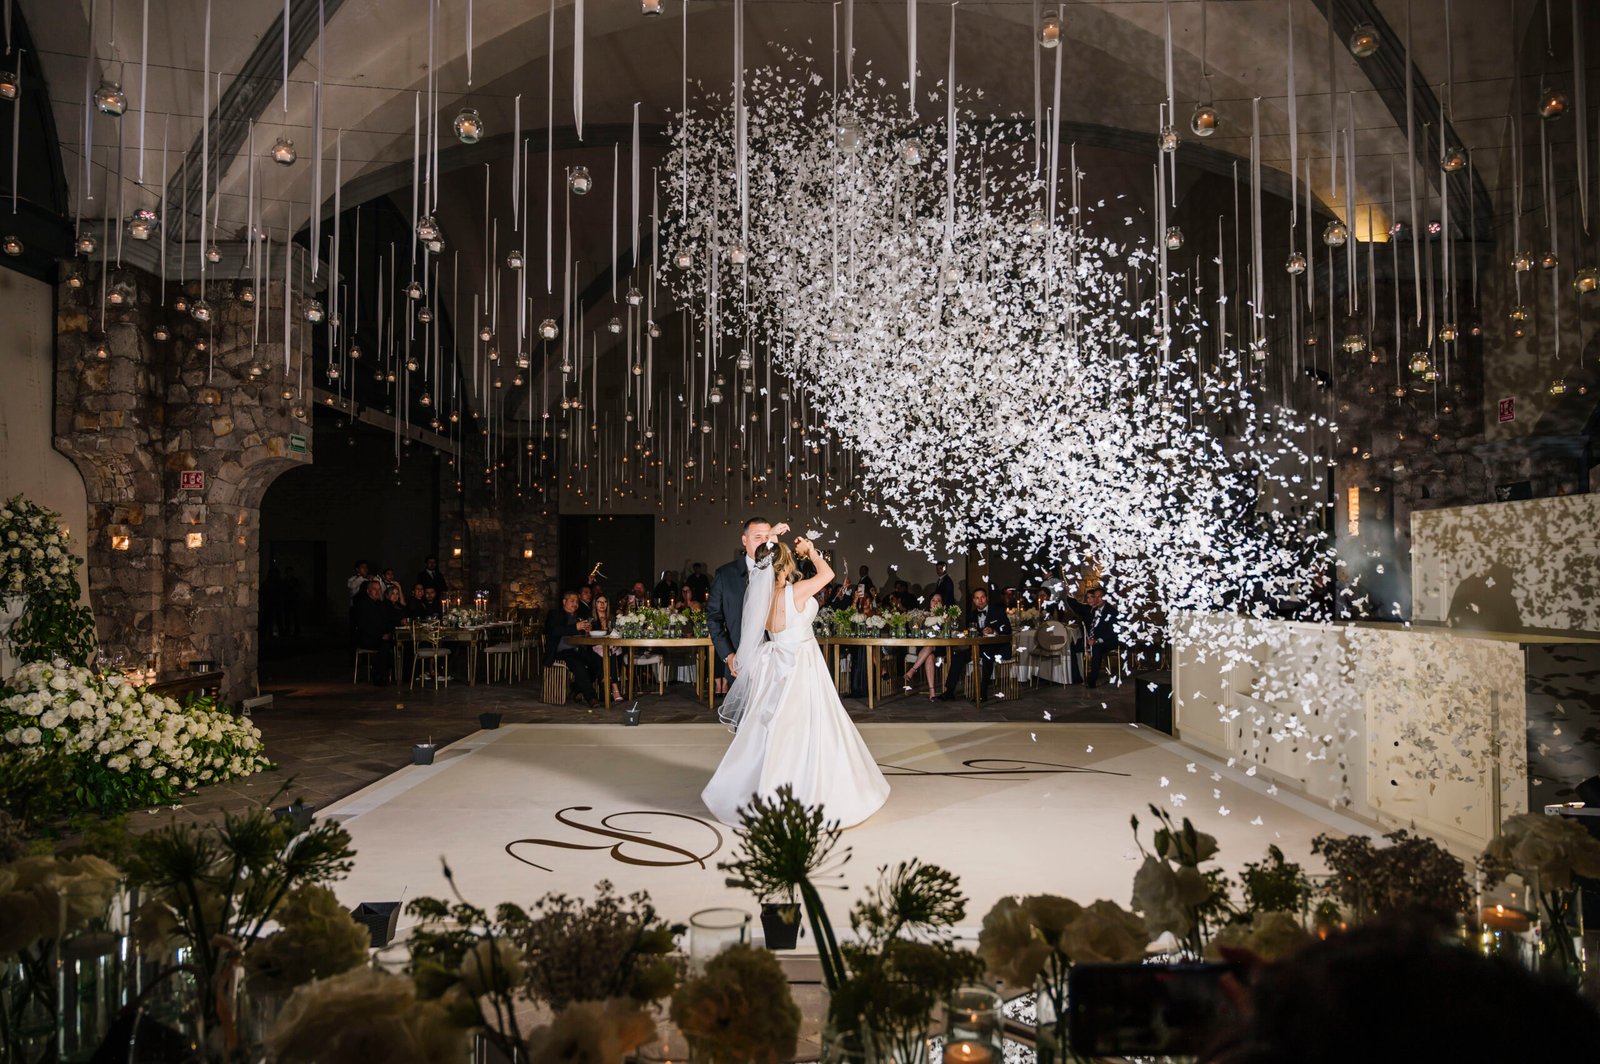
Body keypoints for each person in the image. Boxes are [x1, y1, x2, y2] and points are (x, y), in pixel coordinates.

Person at [702, 535, 890, 828]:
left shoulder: (758, 597)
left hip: (775, 664)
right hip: (801, 662)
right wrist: (812, 552)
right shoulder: (797, 592)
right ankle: (809, 790)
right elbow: (828, 575)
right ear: (784, 565)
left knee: (775, 728)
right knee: (811, 726)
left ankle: (766, 788)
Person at [706, 517, 788, 696]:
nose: (763, 542)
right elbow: (714, 618)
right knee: (743, 721)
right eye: (757, 537)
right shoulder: (725, 574)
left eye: (768, 537)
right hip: (740, 661)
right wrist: (729, 655)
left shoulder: (781, 572)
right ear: (744, 540)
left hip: (778, 660)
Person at [939, 587, 1011, 701]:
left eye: (982, 597)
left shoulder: (997, 611)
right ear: (973, 600)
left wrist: (994, 631)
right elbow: (972, 632)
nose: (980, 600)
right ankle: (949, 691)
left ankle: (982, 693)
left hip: (997, 648)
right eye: (977, 598)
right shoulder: (972, 615)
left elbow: (1008, 630)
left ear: (986, 598)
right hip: (978, 648)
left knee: (987, 657)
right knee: (957, 658)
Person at [544, 591, 600, 707]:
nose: (575, 604)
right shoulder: (555, 614)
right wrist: (576, 627)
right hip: (560, 651)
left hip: (577, 650)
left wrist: (587, 630)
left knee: (597, 660)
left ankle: (576, 689)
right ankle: (591, 698)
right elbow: (554, 630)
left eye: (577, 602)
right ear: (564, 602)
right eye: (572, 601)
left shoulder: (578, 617)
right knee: (578, 665)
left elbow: (582, 635)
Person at [1063, 585, 1119, 688]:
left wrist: (1097, 641)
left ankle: (1092, 680)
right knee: (1073, 646)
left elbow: (1112, 632)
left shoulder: (1111, 612)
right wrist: (1068, 593)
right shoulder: (1092, 610)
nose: (1096, 599)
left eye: (1099, 597)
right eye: (1095, 597)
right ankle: (1076, 677)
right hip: (1091, 640)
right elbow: (1077, 606)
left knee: (1097, 649)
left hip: (1107, 641)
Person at [351, 579, 397, 685]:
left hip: (381, 637)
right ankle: (380, 676)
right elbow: (364, 625)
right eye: (374, 589)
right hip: (367, 638)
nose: (377, 592)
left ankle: (397, 675)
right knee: (384, 645)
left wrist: (388, 633)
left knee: (395, 644)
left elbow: (387, 621)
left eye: (379, 589)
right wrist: (381, 636)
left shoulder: (381, 605)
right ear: (368, 591)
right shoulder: (362, 605)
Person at [903, 592, 946, 701]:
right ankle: (932, 691)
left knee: (931, 645)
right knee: (930, 655)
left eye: (939, 600)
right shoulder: (923, 615)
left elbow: (948, 632)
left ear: (942, 603)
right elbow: (915, 629)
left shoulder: (946, 616)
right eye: (933, 600)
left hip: (940, 647)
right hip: (924, 648)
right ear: (929, 602)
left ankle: (912, 670)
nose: (936, 603)